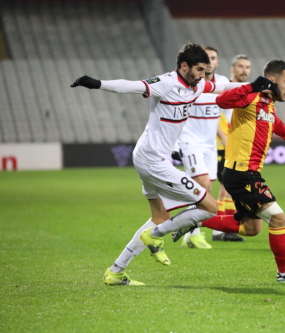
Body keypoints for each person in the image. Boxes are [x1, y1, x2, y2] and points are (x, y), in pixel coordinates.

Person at [71, 43, 244, 285]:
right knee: (209, 207)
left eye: (206, 70)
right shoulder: (166, 82)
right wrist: (98, 83)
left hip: (146, 155)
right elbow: (129, 86)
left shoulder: (197, 84)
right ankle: (156, 236)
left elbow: (224, 86)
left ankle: (116, 272)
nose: (204, 75)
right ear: (184, 66)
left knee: (159, 216)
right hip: (153, 161)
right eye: (200, 70)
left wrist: (258, 86)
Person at [175, 59, 285, 282]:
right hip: (243, 174)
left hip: (246, 174)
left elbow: (275, 123)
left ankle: (193, 219)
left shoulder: (268, 103)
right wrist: (251, 86)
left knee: (251, 228)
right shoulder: (252, 96)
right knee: (279, 219)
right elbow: (222, 101)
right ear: (272, 80)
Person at [176, 46, 232, 248]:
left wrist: (227, 138)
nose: (209, 62)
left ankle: (188, 234)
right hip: (190, 142)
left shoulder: (224, 83)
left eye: (213, 58)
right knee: (202, 185)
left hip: (209, 146)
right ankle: (194, 231)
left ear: (217, 62)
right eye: (206, 58)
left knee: (207, 189)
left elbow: (226, 115)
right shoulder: (190, 83)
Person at [212, 54, 251, 242]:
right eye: (241, 66)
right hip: (223, 145)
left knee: (228, 187)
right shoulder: (225, 87)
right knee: (227, 186)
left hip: (238, 145)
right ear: (232, 69)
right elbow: (215, 115)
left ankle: (223, 229)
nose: (244, 70)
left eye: (247, 67)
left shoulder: (247, 90)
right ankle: (220, 229)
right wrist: (226, 140)